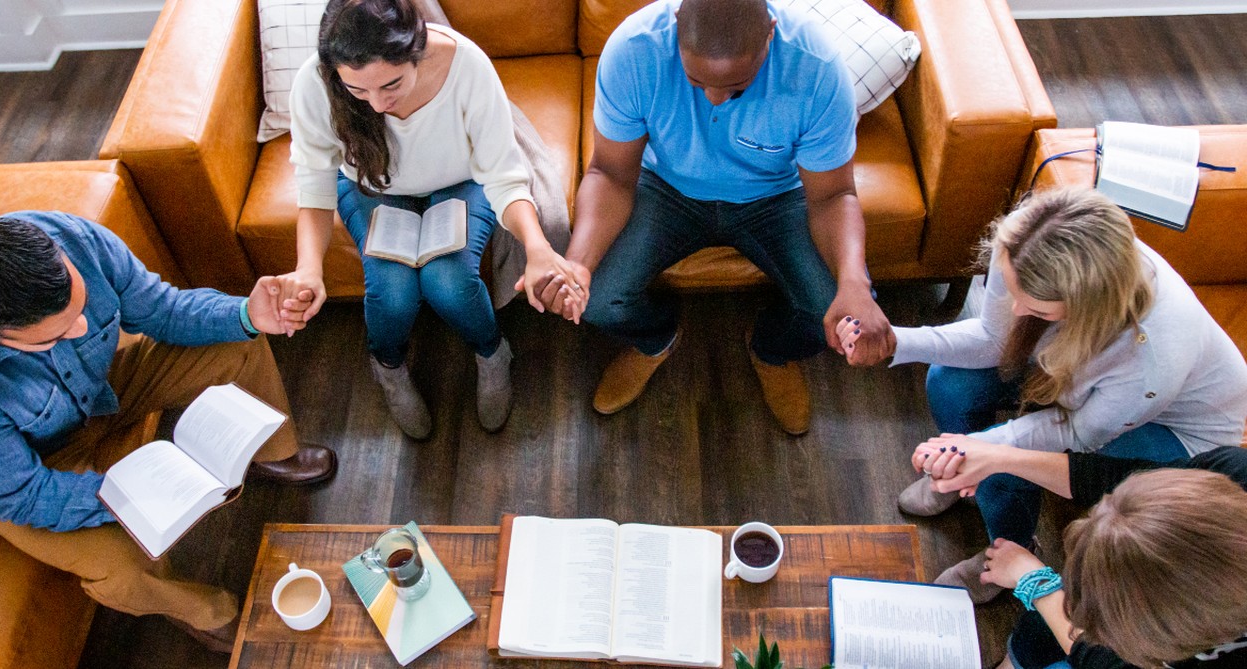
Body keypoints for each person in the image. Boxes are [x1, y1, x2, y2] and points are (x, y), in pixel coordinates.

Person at [846, 187, 1247, 602]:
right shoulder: (1025, 247)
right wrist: (897, 342)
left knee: (1007, 468)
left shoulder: (1153, 357)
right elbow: (991, 338)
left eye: (1036, 310)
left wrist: (982, 450)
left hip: (1172, 430)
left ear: (1085, 306)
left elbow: (1078, 434)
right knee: (949, 383)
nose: (1017, 312)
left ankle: (1012, 545)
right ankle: (961, 479)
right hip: (1077, 376)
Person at [0, 212, 338, 652]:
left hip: (100, 391)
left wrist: (245, 313)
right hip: (24, 467)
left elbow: (162, 311)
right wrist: (140, 495)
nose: (82, 327)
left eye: (81, 307)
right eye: (55, 335)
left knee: (237, 339)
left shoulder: (73, 236)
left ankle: (271, 454)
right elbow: (26, 495)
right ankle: (211, 616)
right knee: (121, 566)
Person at [531, 0, 891, 435]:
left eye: (737, 85)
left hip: (775, 197)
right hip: (665, 188)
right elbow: (610, 173)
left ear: (770, 34)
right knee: (599, 297)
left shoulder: (817, 69)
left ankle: (772, 351)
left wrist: (855, 284)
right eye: (695, 81)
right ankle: (655, 341)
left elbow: (833, 195)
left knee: (829, 303)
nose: (715, 98)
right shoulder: (633, 49)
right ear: (678, 27)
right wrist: (578, 266)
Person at [282, 0, 585, 438]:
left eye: (391, 84)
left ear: (417, 48)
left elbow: (503, 176)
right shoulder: (315, 82)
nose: (378, 105)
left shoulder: (468, 68)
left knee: (450, 282)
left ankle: (492, 354)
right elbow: (314, 184)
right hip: (371, 187)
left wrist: (537, 247)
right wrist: (309, 269)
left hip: (460, 182)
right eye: (358, 92)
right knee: (391, 292)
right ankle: (389, 368)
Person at [915, 439, 1247, 669]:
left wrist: (1037, 584)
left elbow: (1104, 661)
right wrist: (1002, 457)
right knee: (1043, 623)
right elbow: (1116, 478)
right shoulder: (1233, 470)